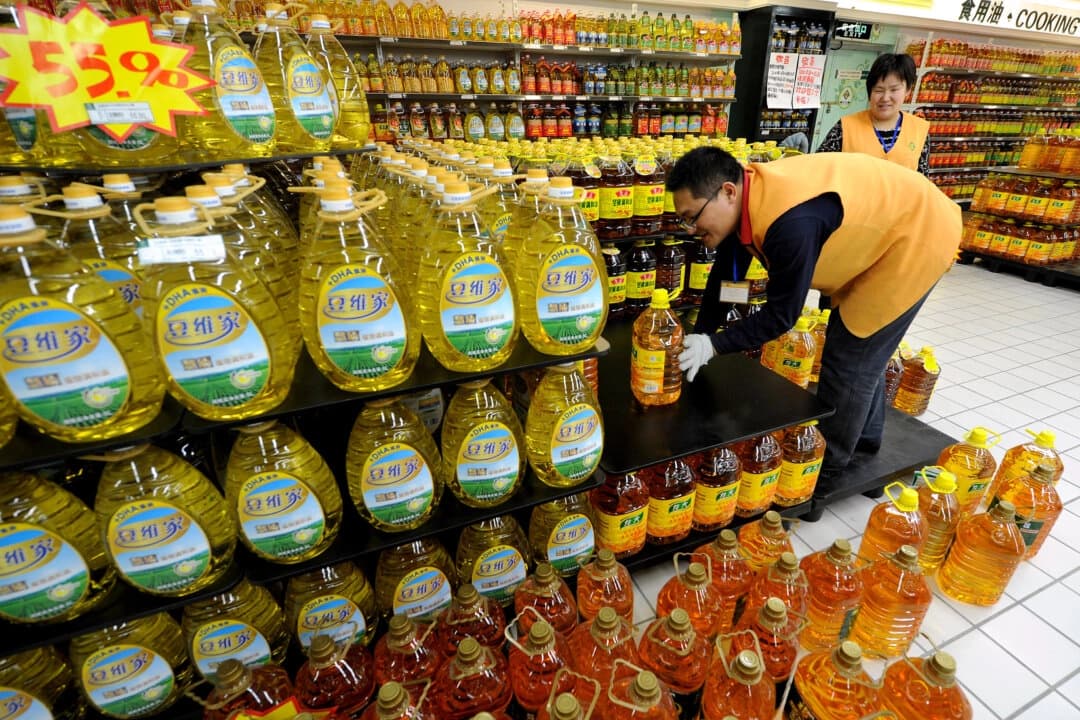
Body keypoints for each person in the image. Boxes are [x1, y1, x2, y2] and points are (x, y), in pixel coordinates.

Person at [668, 147, 959, 498]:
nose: (690, 228)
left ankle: (828, 470)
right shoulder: (747, 197)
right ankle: (866, 444)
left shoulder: (789, 223)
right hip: (885, 228)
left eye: (691, 217)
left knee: (850, 358)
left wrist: (713, 345)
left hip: (917, 236)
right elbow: (726, 280)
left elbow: (781, 315)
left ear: (727, 191)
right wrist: (701, 336)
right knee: (861, 357)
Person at [817, 53, 930, 175]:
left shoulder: (920, 131)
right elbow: (819, 169)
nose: (885, 98)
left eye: (894, 89)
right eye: (879, 90)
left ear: (908, 90)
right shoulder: (845, 127)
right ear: (869, 91)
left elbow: (922, 182)